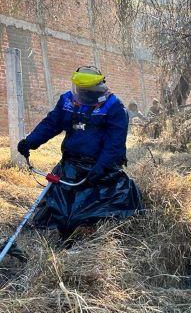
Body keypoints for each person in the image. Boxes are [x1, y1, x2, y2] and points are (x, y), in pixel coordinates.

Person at [17, 66, 143, 247]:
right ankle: (62, 228)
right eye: (80, 90)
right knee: (59, 203)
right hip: (71, 163)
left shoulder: (114, 107)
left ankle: (90, 230)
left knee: (101, 202)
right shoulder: (67, 101)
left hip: (99, 167)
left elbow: (115, 143)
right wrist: (30, 142)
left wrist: (101, 167)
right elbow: (51, 124)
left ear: (98, 88)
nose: (82, 94)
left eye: (87, 91)